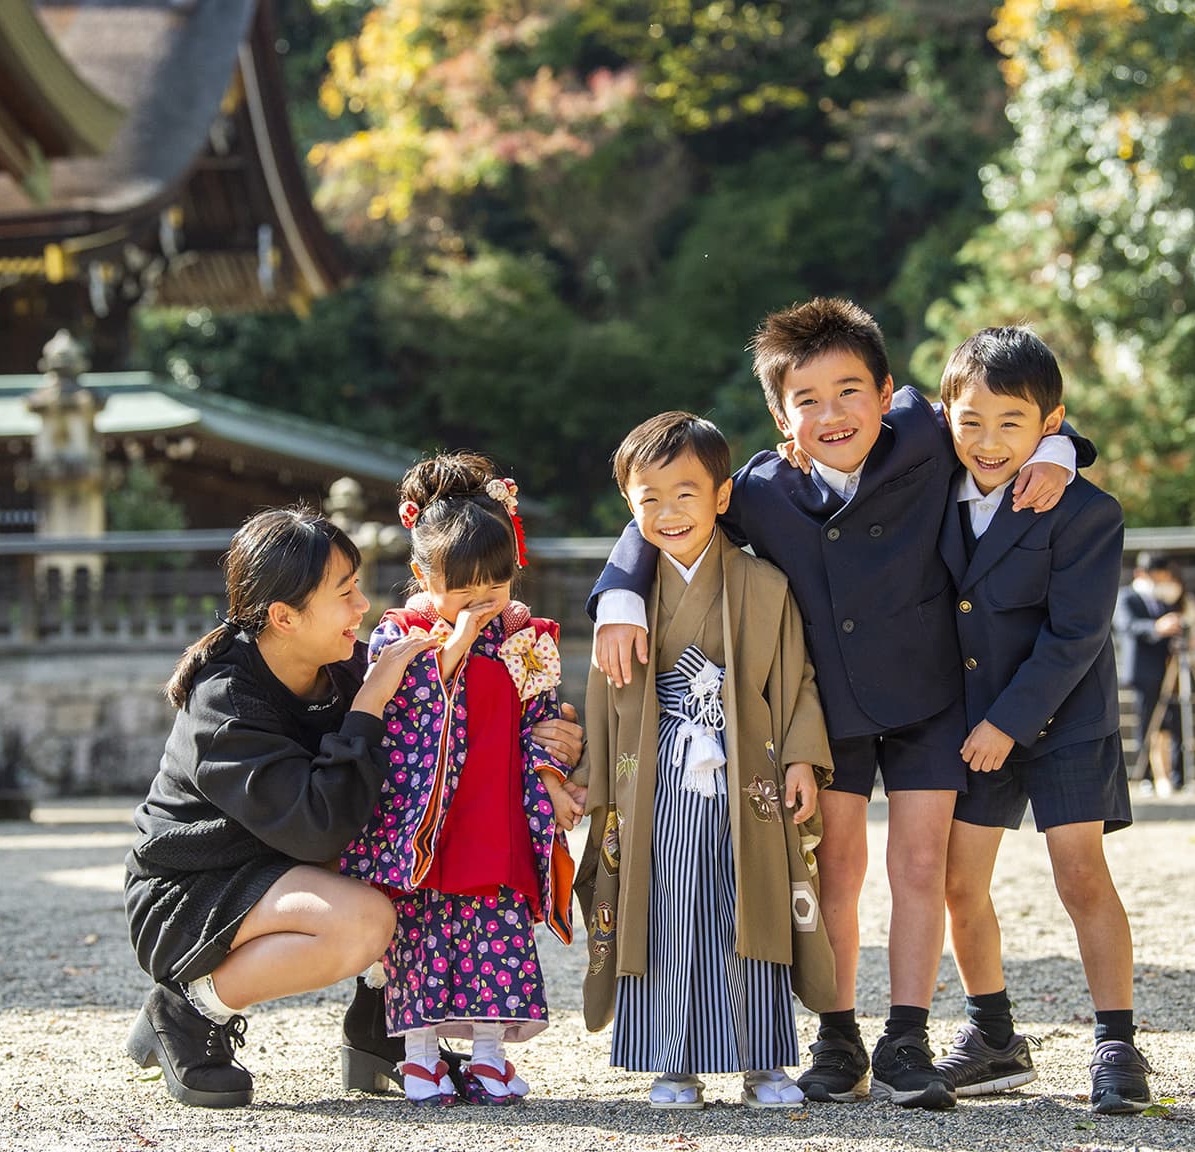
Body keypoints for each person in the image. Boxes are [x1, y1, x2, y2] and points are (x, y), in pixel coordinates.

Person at [589, 297, 1089, 1111]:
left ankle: (905, 1038)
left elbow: (1005, 421)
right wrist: (617, 593)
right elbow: (666, 502)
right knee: (838, 872)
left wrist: (1064, 451)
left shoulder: (929, 438)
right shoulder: (755, 488)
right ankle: (837, 1033)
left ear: (889, 392)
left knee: (919, 867)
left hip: (932, 698)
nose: (832, 414)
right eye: (807, 401)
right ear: (781, 418)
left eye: (851, 391)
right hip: (827, 712)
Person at [123, 506, 582, 1109]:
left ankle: (380, 1025)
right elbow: (319, 828)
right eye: (344, 593)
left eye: (357, 587)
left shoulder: (347, 664)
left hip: (284, 872)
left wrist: (547, 744)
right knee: (363, 921)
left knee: (422, 855)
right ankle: (186, 1011)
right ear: (284, 616)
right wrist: (367, 705)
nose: (363, 607)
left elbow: (446, 744)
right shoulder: (227, 699)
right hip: (197, 890)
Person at [574, 412, 836, 1110]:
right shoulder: (624, 603)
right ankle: (673, 1063)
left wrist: (803, 759)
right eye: (648, 498)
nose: (668, 512)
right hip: (657, 775)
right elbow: (605, 702)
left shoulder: (763, 585)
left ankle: (765, 1063)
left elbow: (794, 680)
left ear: (723, 496)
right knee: (664, 910)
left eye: (686, 493)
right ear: (629, 506)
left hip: (745, 769)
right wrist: (600, 785)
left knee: (750, 908)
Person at [931, 326, 1151, 1114]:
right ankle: (993, 1037)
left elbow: (1076, 634)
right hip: (968, 717)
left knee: (1080, 874)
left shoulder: (1086, 511)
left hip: (1063, 718)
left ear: (1050, 423)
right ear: (944, 415)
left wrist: (1011, 724)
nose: (988, 443)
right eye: (971, 422)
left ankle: (1117, 1043)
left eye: (1012, 424)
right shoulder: (932, 487)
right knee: (959, 883)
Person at [338, 453, 584, 1107]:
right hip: (429, 822)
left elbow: (541, 718)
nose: (480, 605)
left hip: (494, 812)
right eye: (462, 593)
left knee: (495, 935)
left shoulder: (525, 639)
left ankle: (488, 1058)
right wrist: (452, 647)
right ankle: (418, 1059)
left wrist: (556, 782)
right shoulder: (402, 635)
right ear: (421, 575)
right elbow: (397, 706)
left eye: (493, 592)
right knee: (419, 936)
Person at [1113, 552, 1192, 794]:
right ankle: (1146, 776)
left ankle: (1179, 777)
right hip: (1141, 670)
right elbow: (1127, 626)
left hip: (1169, 668)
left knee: (1176, 722)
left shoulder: (1164, 601)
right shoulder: (1126, 597)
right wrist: (1157, 627)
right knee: (1146, 724)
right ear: (1141, 574)